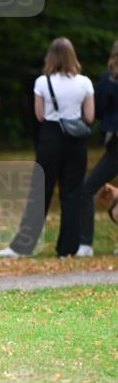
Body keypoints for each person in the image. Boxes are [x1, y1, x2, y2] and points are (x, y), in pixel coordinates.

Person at [0, 37, 94, 258]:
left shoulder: (42, 82)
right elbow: (89, 116)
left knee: (40, 192)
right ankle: (67, 249)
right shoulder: (85, 82)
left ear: (50, 56)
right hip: (76, 141)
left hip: (51, 138)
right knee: (71, 194)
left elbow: (40, 115)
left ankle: (22, 246)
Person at [76, 39, 118, 256]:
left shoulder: (107, 79)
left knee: (87, 188)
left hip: (115, 145)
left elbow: (99, 111)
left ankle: (85, 244)